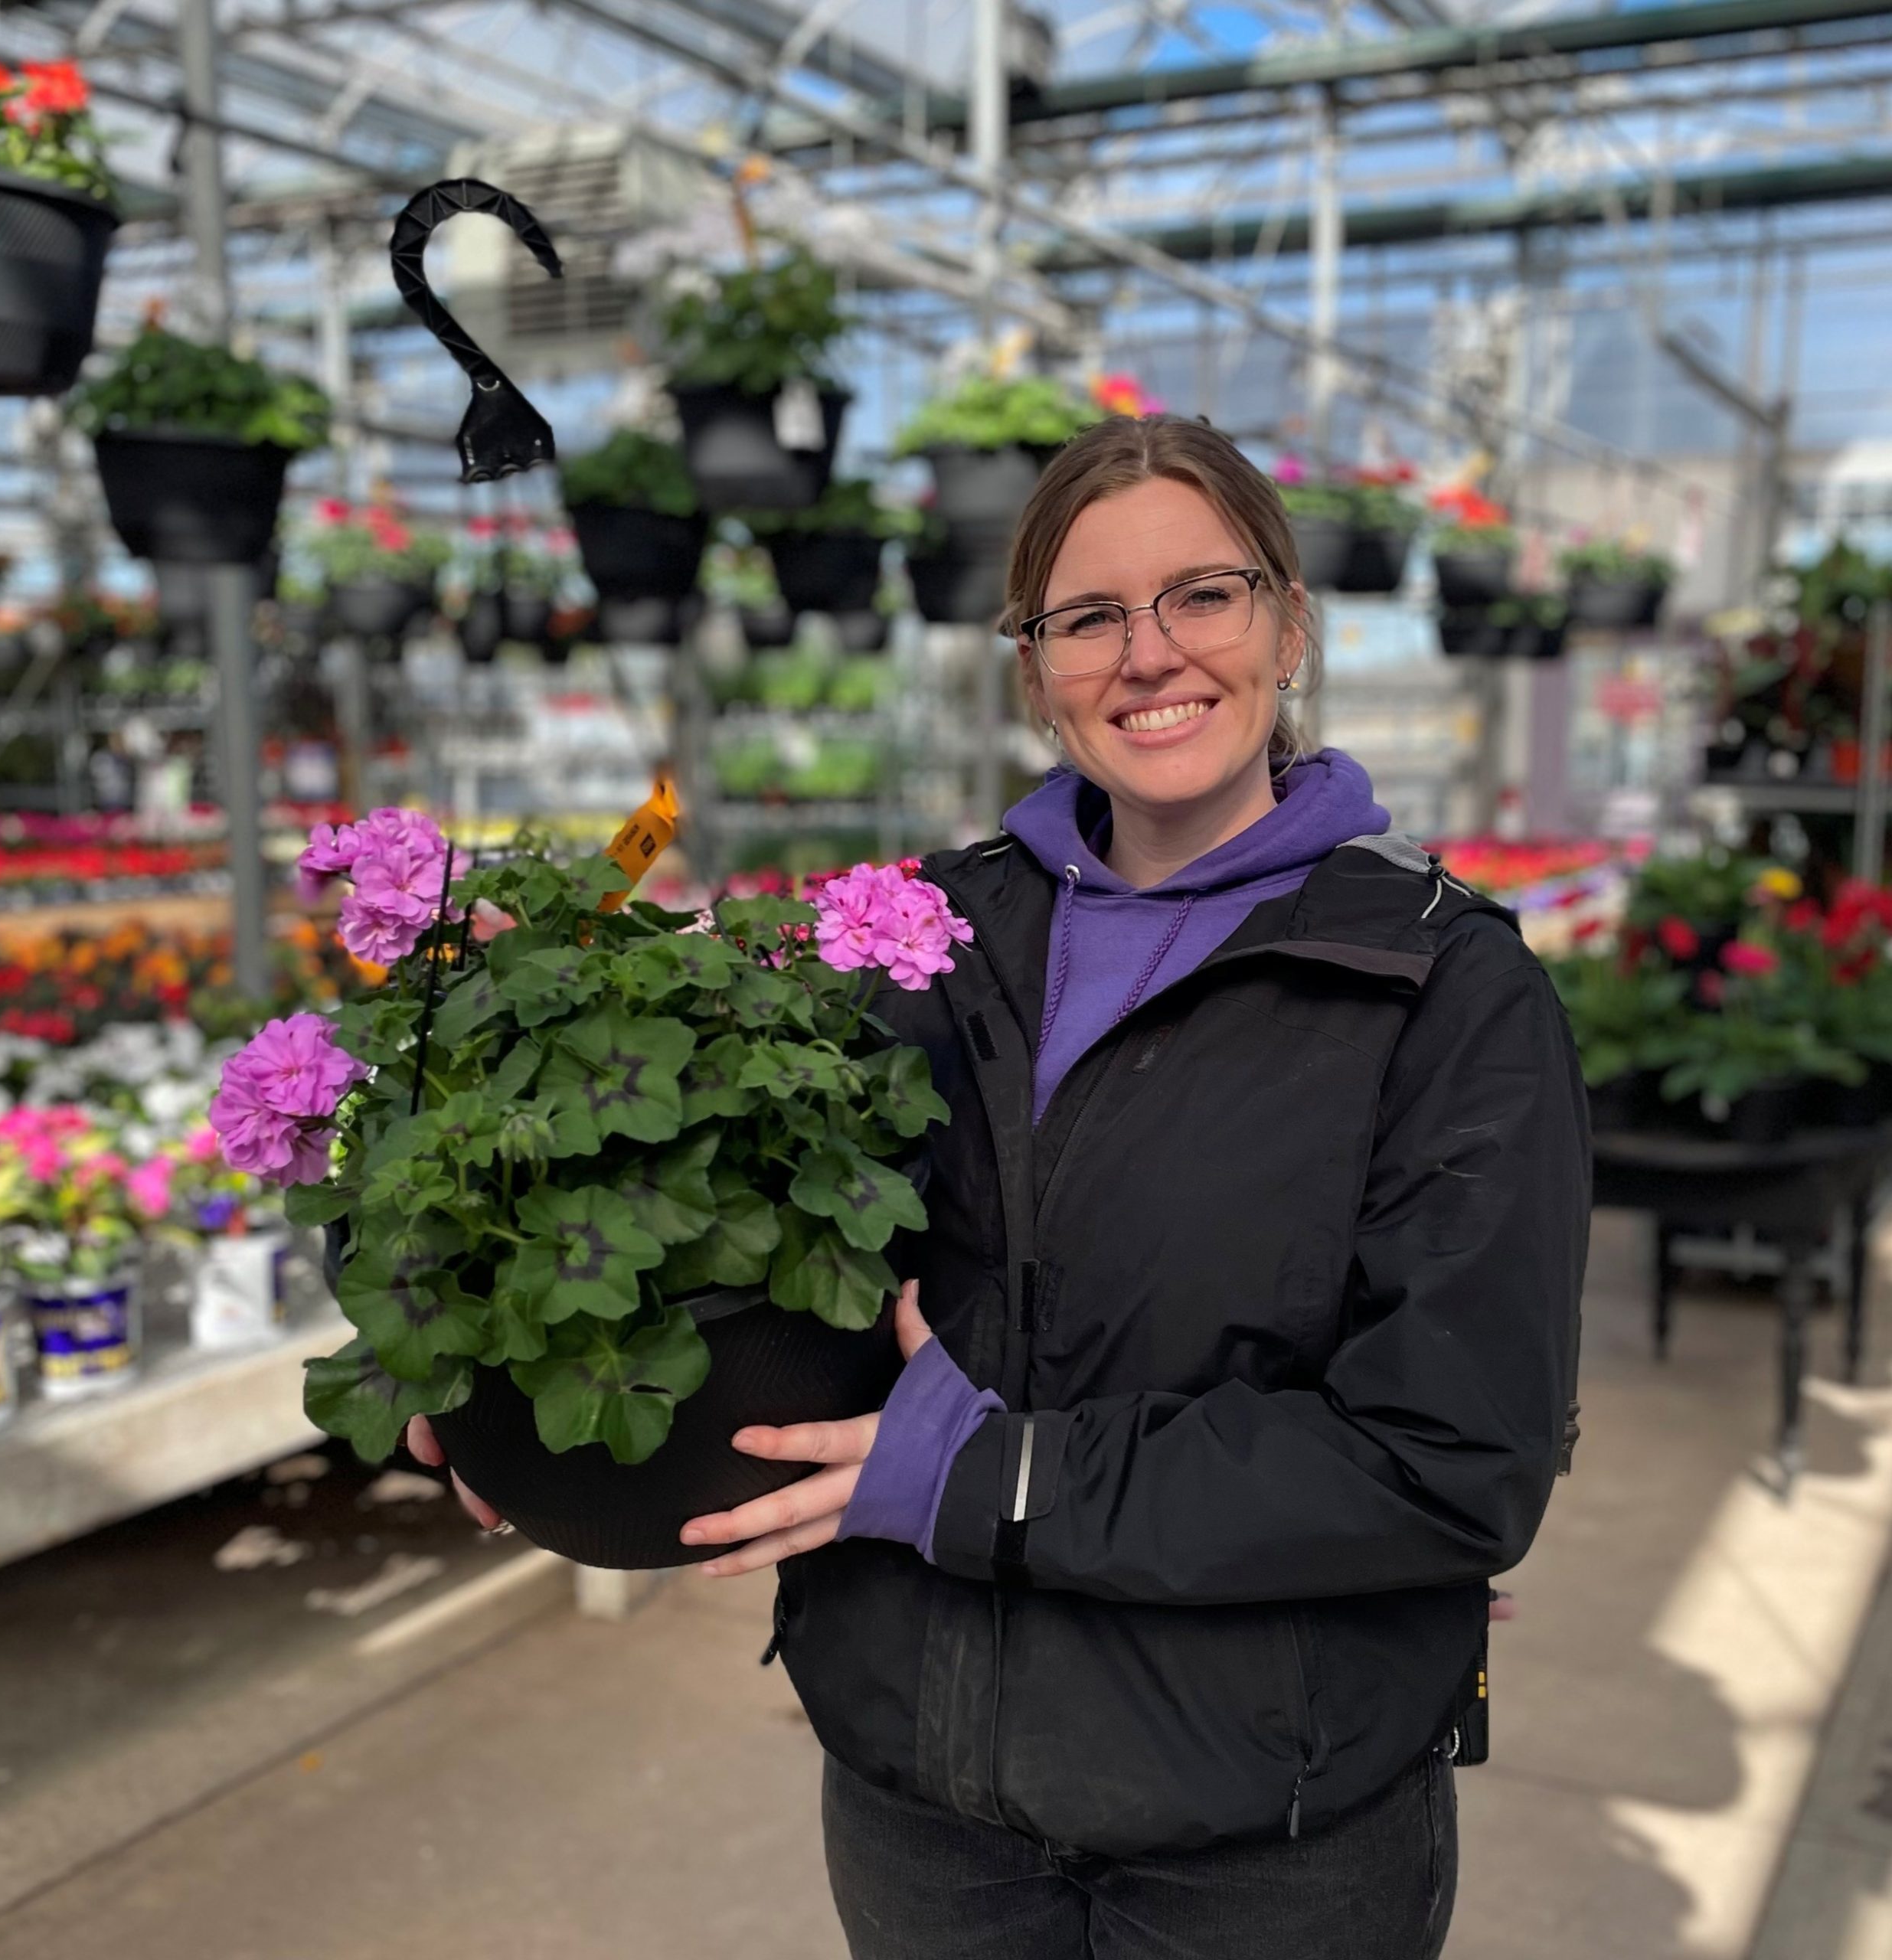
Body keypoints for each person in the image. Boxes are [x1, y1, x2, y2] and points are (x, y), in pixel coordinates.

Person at [410, 413, 1590, 1958]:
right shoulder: (921, 936)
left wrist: (992, 1476)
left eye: (1202, 595)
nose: (1145, 653)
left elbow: (1449, 1459)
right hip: (924, 1801)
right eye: (1084, 616)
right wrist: (502, 1363)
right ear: (1029, 669)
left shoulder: (1438, 986)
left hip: (1262, 1830)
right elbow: (723, 1219)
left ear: (1288, 623)